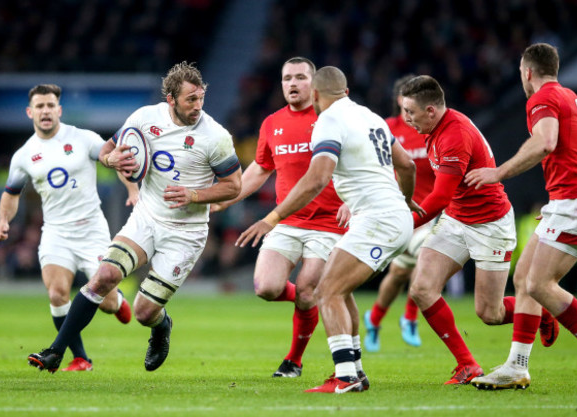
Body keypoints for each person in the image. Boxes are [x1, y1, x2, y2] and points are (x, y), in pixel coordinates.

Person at [27, 62, 242, 373]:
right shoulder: (144, 118)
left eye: (201, 98)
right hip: (147, 219)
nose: (198, 106)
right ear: (171, 98)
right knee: (103, 277)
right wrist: (110, 158)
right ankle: (56, 352)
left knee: (143, 312)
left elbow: (234, 185)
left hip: (185, 233)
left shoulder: (215, 137)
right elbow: (109, 150)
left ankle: (162, 325)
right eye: (190, 99)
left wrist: (194, 195)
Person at [236, 66, 423, 393]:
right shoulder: (372, 117)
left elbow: (318, 178)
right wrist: (405, 200)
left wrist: (273, 216)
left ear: (318, 95)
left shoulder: (327, 121)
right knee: (339, 290)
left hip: (375, 219)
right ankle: (356, 372)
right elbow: (406, 164)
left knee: (326, 292)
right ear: (346, 90)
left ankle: (345, 377)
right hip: (391, 215)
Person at [467, 43, 577, 392]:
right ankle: (517, 366)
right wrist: (562, 199)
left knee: (538, 285)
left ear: (527, 73)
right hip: (572, 200)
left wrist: (499, 172)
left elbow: (545, 142)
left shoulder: (541, 99)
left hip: (575, 201)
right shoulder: (574, 100)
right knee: (523, 278)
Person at [400, 75, 559, 385]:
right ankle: (468, 365)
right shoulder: (435, 127)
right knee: (421, 288)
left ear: (431, 110)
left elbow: (440, 197)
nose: (407, 119)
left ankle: (538, 310)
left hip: (490, 224)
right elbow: (444, 198)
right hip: (456, 219)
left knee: (490, 313)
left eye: (411, 112)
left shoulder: (453, 135)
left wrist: (400, 226)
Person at [212, 57, 346, 377]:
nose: (293, 84)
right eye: (287, 78)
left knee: (306, 287)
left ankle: (293, 361)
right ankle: (308, 300)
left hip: (328, 223)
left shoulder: (331, 119)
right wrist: (225, 198)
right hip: (287, 221)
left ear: (313, 84)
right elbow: (260, 168)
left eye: (300, 78)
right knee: (267, 287)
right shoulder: (272, 122)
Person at [0, 84, 135, 372]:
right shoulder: (24, 155)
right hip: (56, 233)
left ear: (58, 110)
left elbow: (112, 159)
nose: (45, 111)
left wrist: (132, 190)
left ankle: (117, 300)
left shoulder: (83, 138)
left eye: (50, 105)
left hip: (91, 230)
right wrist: (4, 221)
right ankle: (81, 358)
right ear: (29, 112)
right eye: (40, 106)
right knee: (57, 293)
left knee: (106, 302)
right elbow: (11, 193)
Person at [363, 74, 435, 352]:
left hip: (430, 213)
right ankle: (408, 317)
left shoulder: (430, 129)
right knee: (407, 269)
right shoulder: (387, 129)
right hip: (400, 212)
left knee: (408, 268)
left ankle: (378, 317)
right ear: (400, 100)